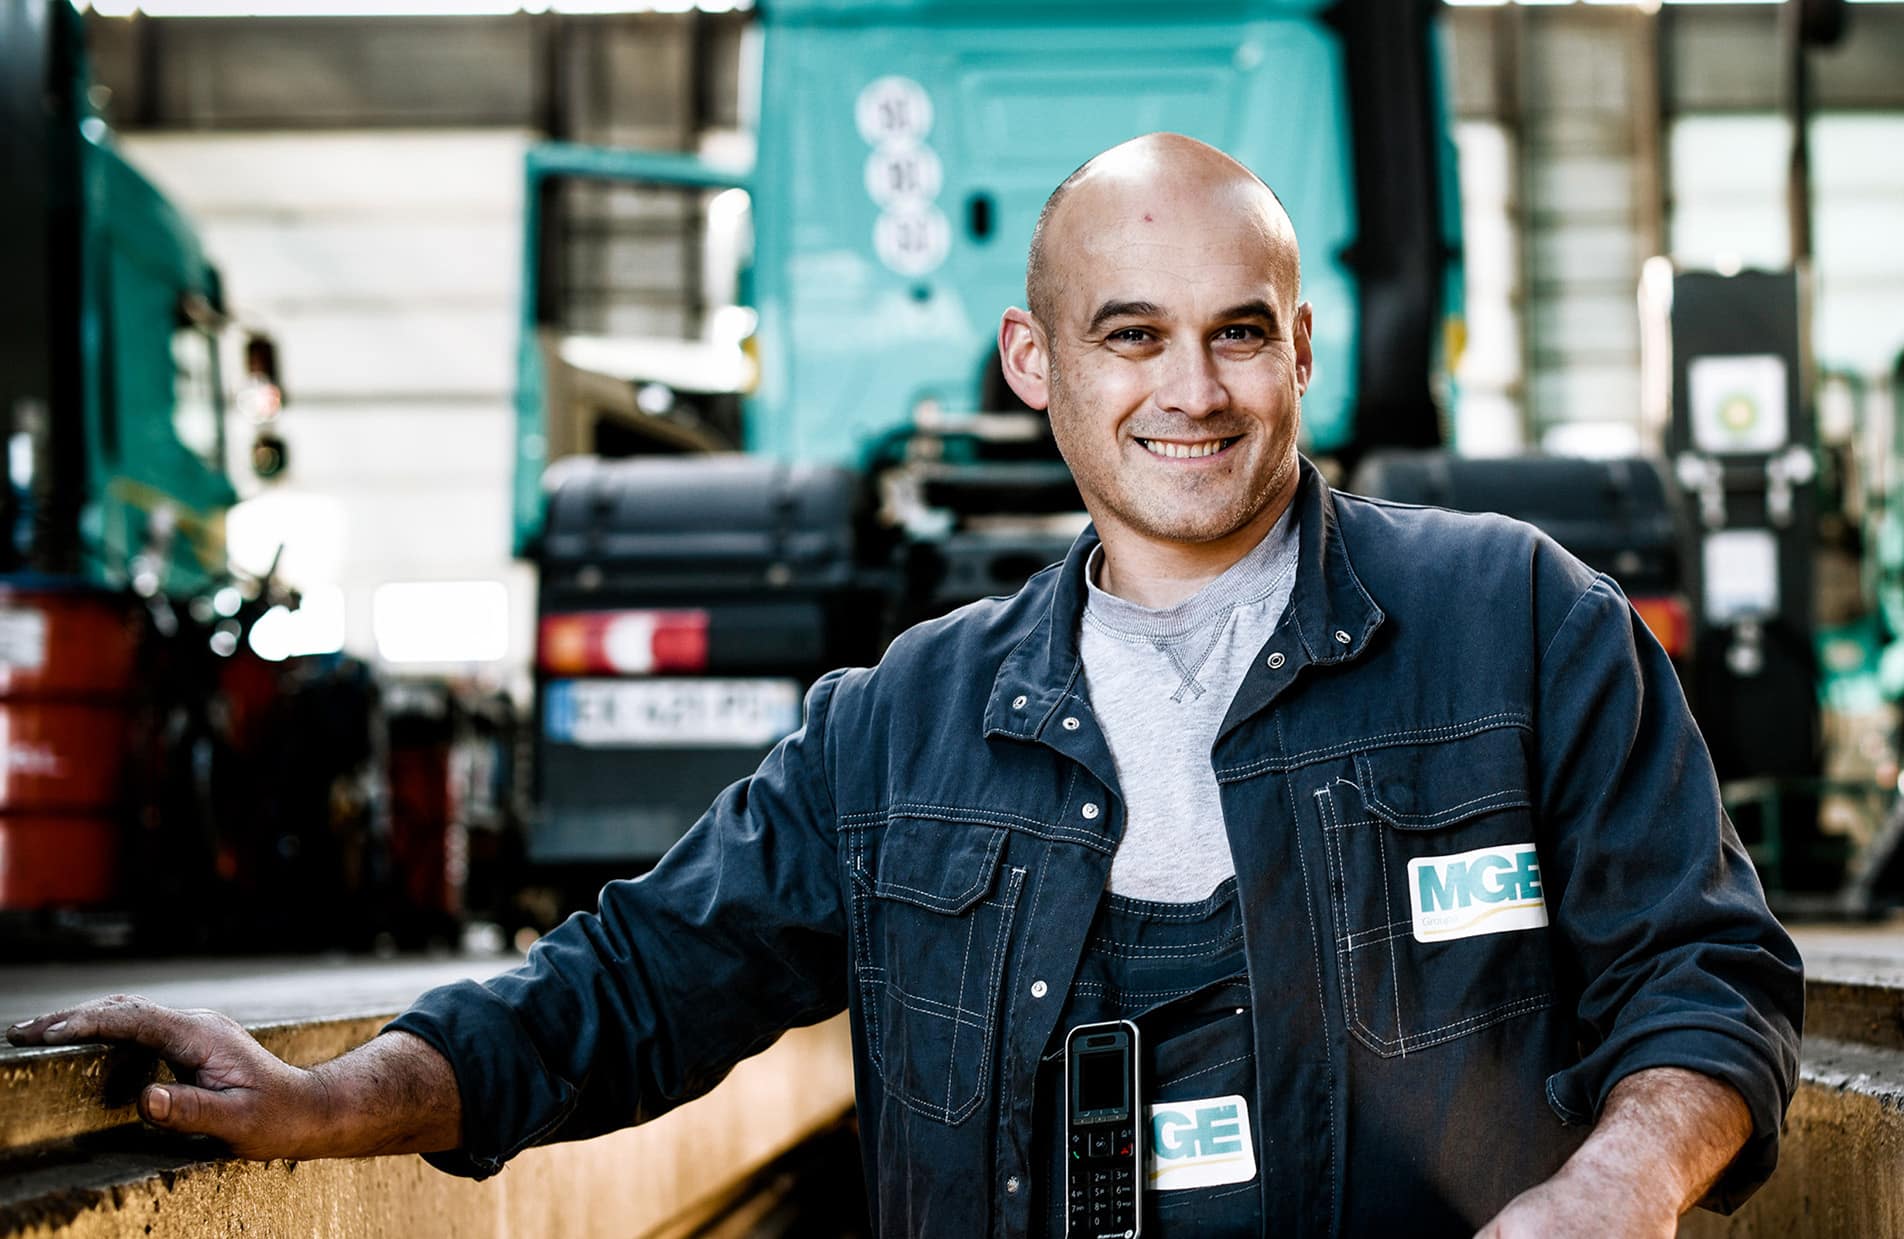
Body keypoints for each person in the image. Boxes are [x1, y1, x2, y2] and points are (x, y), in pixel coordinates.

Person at [10, 134, 1801, 1238]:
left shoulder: (1517, 628)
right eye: (1133, 336)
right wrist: (335, 1097)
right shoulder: (904, 731)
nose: (1195, 389)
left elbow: (1709, 974)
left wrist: (1619, 1180)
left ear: (1302, 350)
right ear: (1037, 361)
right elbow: (629, 989)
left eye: (1239, 332)